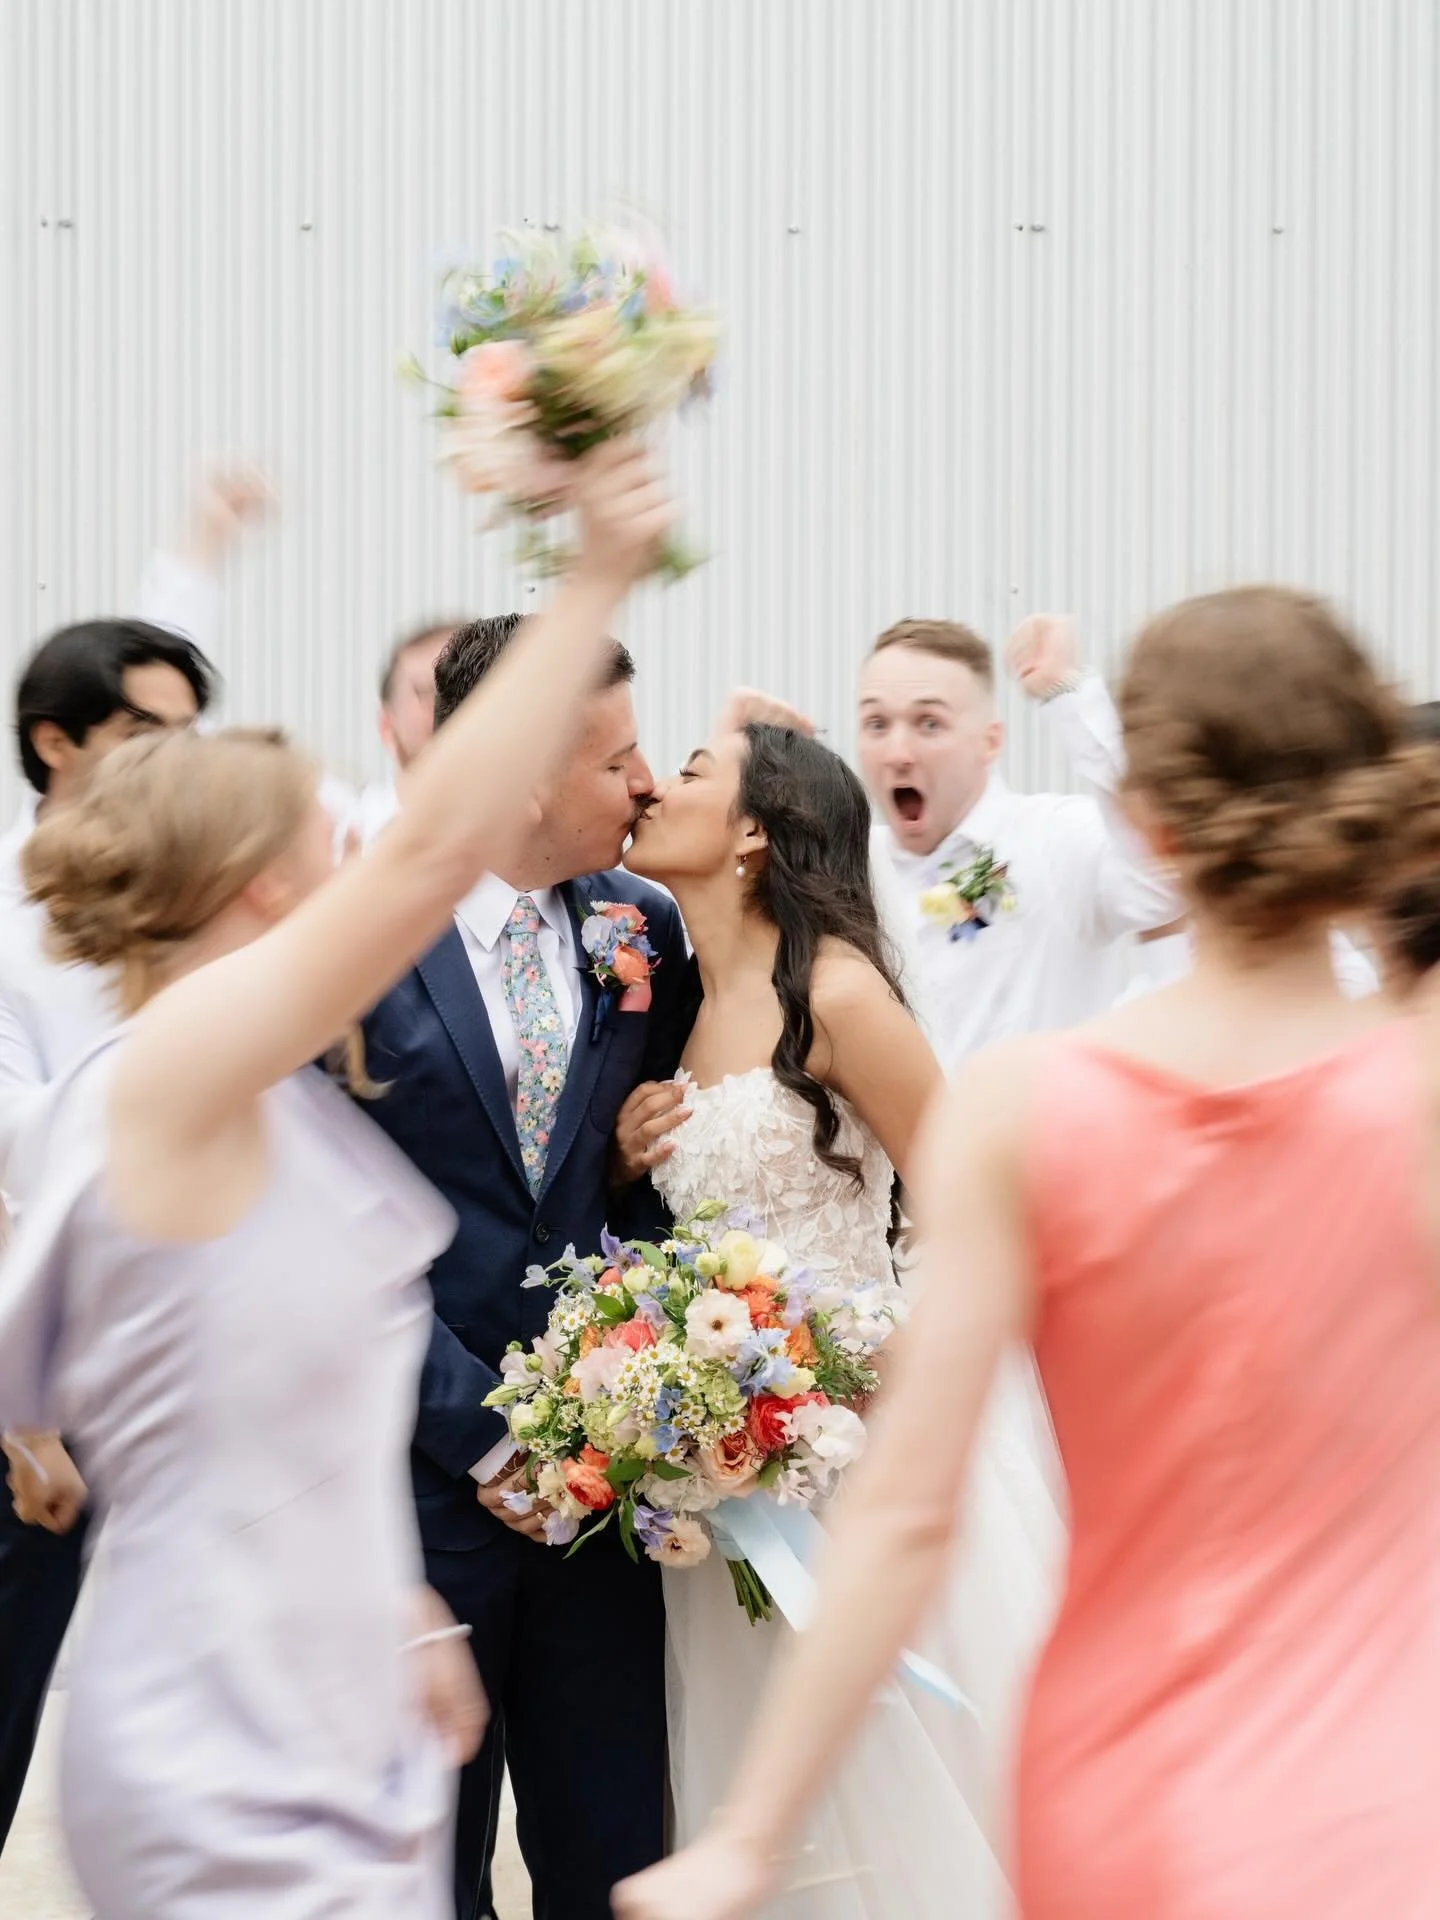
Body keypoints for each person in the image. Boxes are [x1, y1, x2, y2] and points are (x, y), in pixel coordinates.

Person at [615, 584, 1440, 1920]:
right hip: (1388, 1783)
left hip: (1120, 1781)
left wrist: (749, 1838)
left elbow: (904, 1510)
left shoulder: (1028, 1106)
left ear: (1146, 824)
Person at [0, 442, 670, 1917]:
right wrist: (598, 568)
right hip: (214, 1723)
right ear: (259, 889)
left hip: (328, 1674)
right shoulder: (169, 1072)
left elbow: (275, 1422)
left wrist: (404, 1608)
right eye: (329, 833)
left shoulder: (261, 1101)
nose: (362, 837)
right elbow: (437, 843)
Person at [356, 616, 805, 1920]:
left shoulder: (641, 930)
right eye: (618, 759)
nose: (649, 783)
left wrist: (619, 1182)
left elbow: (661, 1174)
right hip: (422, 1495)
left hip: (606, 1494)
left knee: (613, 1847)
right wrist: (483, 1439)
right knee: (425, 1868)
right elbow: (317, 1251)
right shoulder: (365, 935)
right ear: (527, 770)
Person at [610, 720, 1062, 1915]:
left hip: (853, 1445)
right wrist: (623, 1161)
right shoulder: (682, 1012)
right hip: (726, 1477)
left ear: (753, 831)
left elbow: (968, 1212)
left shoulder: (844, 995)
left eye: (694, 772)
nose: (656, 782)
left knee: (901, 1777)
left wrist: (856, 1375)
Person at [0, 616, 217, 1860]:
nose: (174, 764)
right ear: (56, 746)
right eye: (145, 734)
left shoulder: (176, 920)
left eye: (192, 738)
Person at [859, 614, 1177, 1067]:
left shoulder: (1055, 839)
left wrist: (1068, 694)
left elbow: (1165, 879)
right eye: (876, 724)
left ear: (990, 742)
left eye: (930, 724)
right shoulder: (848, 866)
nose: (898, 754)